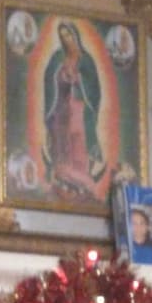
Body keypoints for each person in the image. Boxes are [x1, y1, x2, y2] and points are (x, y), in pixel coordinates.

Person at [43, 21, 103, 199]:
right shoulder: (57, 58)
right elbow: (49, 79)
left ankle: (82, 184)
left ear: (75, 35)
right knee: (62, 144)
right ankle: (63, 182)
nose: (66, 39)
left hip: (79, 109)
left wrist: (78, 79)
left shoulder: (86, 60)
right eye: (62, 36)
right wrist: (60, 76)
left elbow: (94, 88)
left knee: (78, 144)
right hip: (61, 108)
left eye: (68, 35)